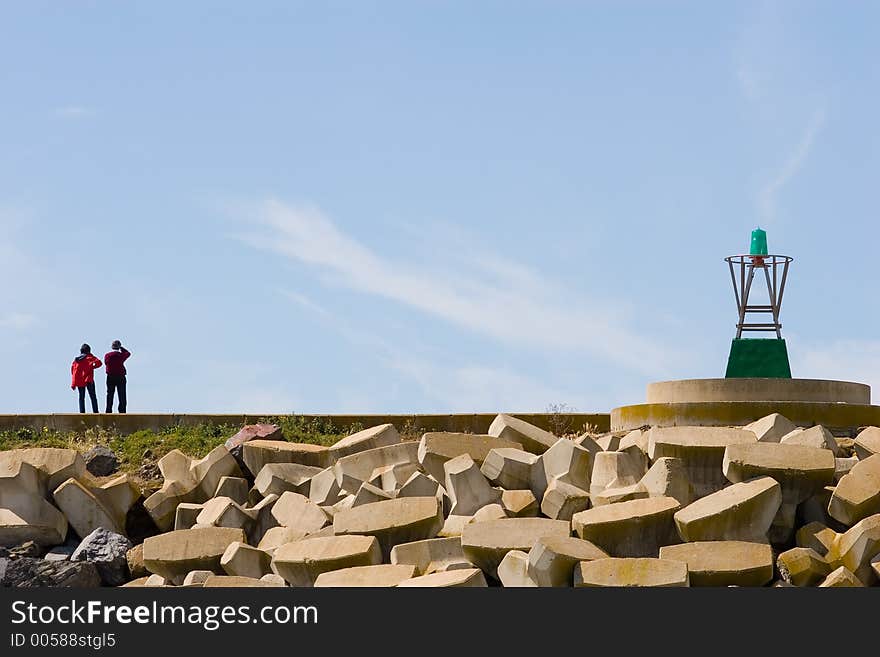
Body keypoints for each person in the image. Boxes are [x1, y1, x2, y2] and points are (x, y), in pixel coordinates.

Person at [71, 343, 102, 413]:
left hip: (79, 381)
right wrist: (92, 366)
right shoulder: (90, 358)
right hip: (89, 380)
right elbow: (99, 363)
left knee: (81, 397)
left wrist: (73, 383)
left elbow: (73, 372)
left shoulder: (76, 361)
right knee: (93, 396)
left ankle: (82, 412)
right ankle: (95, 412)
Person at [104, 339, 131, 413]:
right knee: (122, 395)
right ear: (118, 347)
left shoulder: (107, 355)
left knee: (110, 394)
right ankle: (122, 411)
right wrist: (121, 347)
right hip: (120, 376)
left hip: (110, 377)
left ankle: (108, 410)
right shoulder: (121, 355)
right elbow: (128, 353)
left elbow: (106, 363)